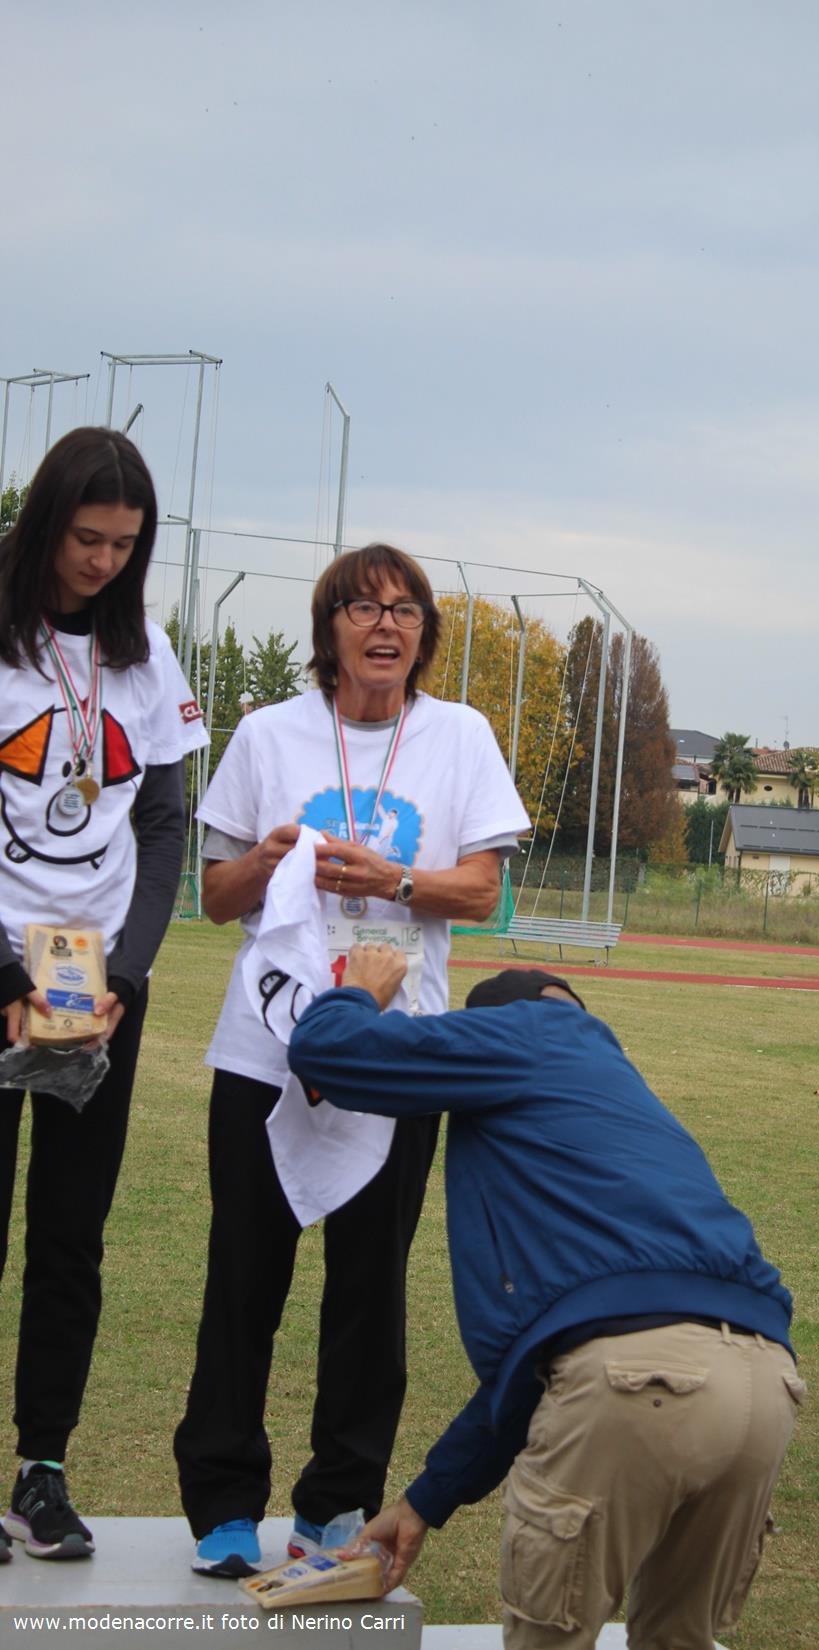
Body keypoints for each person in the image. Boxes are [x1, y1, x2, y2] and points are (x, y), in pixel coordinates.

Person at [174, 544, 530, 1577]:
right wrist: (264, 862)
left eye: (406, 610)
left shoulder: (459, 735)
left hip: (397, 1054)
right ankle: (222, 1502)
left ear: (425, 635)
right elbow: (215, 897)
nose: (387, 625)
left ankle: (337, 1501)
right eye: (365, 608)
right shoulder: (267, 734)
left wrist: (393, 880)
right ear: (328, 627)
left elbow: (482, 893)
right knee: (244, 1274)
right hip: (268, 1046)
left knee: (370, 1287)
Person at [287, 951, 801, 1650]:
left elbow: (328, 1052)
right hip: (765, 1384)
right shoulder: (618, 1088)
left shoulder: (525, 1028)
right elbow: (551, 1362)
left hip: (637, 1378)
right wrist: (422, 1504)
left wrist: (359, 994)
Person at [0, 427, 206, 1561]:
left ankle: (43, 1469)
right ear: (46, 522)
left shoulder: (144, 654)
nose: (103, 561)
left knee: (71, 1235)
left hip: (100, 985)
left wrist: (125, 974)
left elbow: (166, 826)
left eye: (125, 545)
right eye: (86, 538)